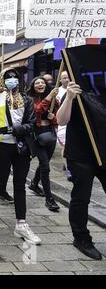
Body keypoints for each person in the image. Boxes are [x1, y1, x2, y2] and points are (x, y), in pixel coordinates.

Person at [0, 68, 41, 245]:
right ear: (1, 79)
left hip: (21, 147)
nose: (12, 80)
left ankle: (21, 223)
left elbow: (31, 125)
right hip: (1, 146)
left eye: (15, 77)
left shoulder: (27, 100)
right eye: (8, 77)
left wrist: (13, 130)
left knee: (20, 183)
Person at [57, 81, 106, 260]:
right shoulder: (75, 91)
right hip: (80, 154)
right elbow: (61, 120)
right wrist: (69, 98)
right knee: (81, 197)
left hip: (103, 151)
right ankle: (81, 238)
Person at [27, 76, 60, 212]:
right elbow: (37, 111)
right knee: (45, 167)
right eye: (37, 83)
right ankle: (49, 199)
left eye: (42, 83)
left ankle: (34, 184)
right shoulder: (29, 100)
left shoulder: (54, 100)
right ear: (33, 86)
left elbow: (59, 117)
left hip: (50, 134)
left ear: (46, 85)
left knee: (44, 163)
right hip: (37, 135)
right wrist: (49, 97)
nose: (40, 84)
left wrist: (54, 118)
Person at [56, 71, 72, 181]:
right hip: (62, 123)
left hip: (74, 122)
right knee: (65, 146)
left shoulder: (77, 88)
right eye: (64, 78)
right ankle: (68, 168)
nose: (66, 79)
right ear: (60, 80)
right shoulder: (57, 92)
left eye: (68, 77)